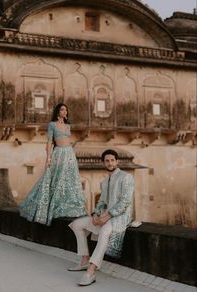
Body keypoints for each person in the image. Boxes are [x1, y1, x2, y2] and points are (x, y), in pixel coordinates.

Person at [68, 149, 134, 286]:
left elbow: (125, 201)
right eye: (107, 161)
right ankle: (85, 259)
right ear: (104, 162)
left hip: (120, 217)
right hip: (105, 215)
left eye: (112, 160)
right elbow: (102, 202)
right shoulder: (104, 181)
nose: (110, 163)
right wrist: (95, 214)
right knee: (76, 225)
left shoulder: (125, 177)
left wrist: (108, 215)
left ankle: (91, 271)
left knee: (104, 232)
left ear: (117, 161)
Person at [19, 103, 87, 226]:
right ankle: (52, 208)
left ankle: (67, 208)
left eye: (66, 110)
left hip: (69, 154)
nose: (65, 112)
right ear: (57, 112)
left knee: (69, 180)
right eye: (62, 110)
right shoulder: (52, 125)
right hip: (58, 154)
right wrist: (48, 158)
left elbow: (68, 141)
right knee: (57, 178)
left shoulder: (68, 126)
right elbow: (50, 141)